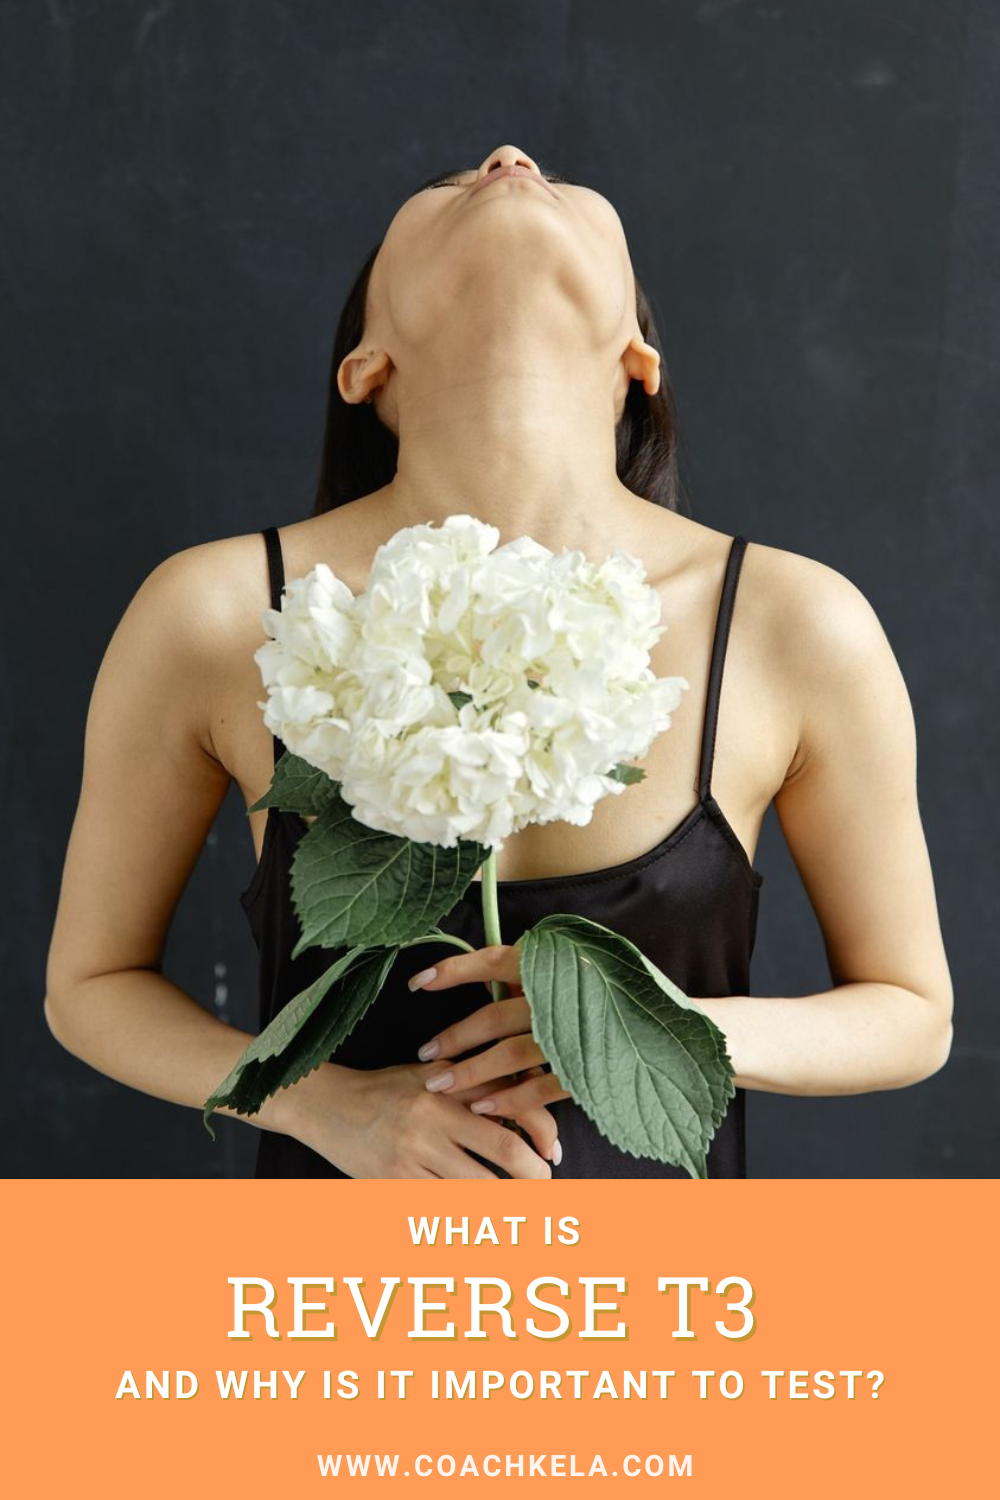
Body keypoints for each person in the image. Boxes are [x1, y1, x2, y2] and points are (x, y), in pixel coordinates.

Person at [44, 143, 953, 1179]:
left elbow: (911, 1016)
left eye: (554, 179)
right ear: (367, 368)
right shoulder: (218, 614)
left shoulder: (792, 622)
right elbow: (90, 984)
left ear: (635, 365)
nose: (509, 158)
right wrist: (326, 1107)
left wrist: (659, 1027)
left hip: (670, 1323)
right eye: (442, 189)